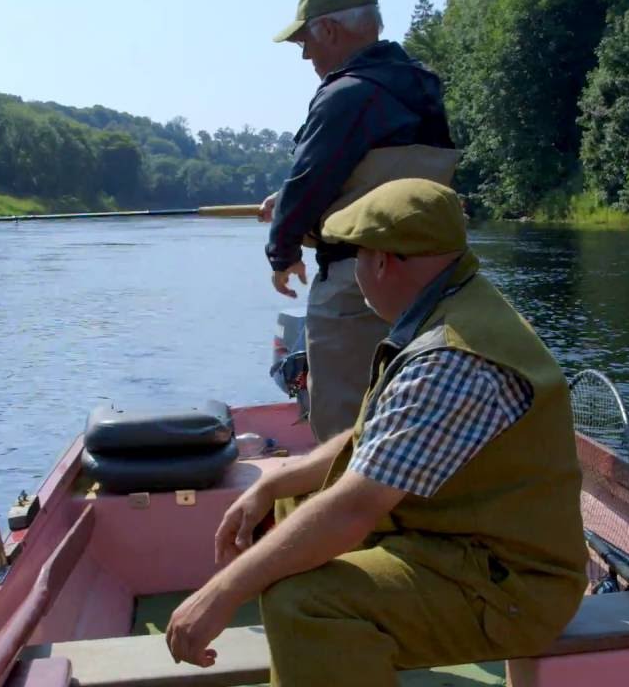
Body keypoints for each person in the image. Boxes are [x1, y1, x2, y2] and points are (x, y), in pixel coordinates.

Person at [167, 179, 588, 686]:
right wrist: (274, 484)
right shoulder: (453, 307)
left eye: (358, 256)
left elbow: (354, 506)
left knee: (306, 604)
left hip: (512, 587)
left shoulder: (453, 356)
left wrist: (222, 592)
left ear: (384, 261)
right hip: (462, 546)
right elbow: (377, 440)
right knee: (290, 511)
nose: (357, 271)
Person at [259, 0, 459, 442]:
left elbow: (309, 183)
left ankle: (350, 511)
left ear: (328, 29)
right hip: (433, 279)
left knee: (343, 425)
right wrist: (288, 197)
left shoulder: (345, 95)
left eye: (305, 41)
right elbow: (379, 171)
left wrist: (282, 254)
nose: (306, 55)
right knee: (416, 412)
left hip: (357, 284)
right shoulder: (422, 87)